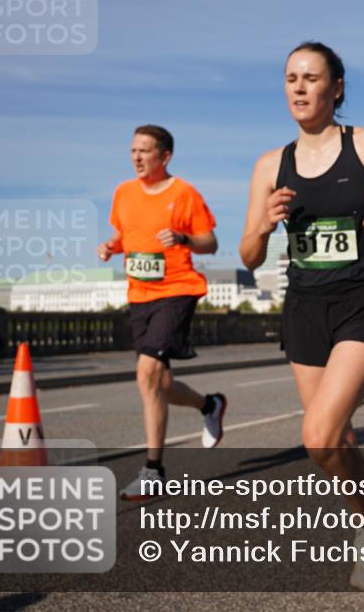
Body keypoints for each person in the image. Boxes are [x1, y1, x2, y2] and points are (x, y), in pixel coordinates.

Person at [239, 42, 364, 591]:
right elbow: (248, 257)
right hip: (304, 310)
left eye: (311, 77)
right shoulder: (269, 165)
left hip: (363, 304)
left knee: (318, 436)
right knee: (337, 437)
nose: (299, 87)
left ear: (336, 88)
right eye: (290, 78)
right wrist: (264, 226)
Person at [98, 125, 227, 500]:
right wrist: (111, 246)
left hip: (177, 290)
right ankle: (210, 404)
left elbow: (211, 242)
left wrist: (184, 238)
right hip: (140, 295)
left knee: (147, 374)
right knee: (160, 384)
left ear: (165, 156)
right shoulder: (123, 193)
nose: (136, 157)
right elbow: (129, 235)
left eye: (144, 151)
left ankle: (153, 470)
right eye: (133, 150)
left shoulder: (184, 193)